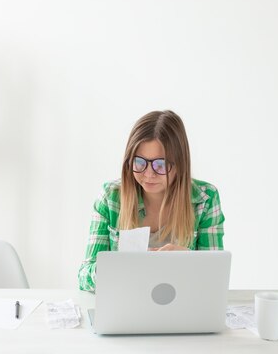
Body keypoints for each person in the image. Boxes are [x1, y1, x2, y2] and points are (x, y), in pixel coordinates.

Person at [78, 110, 225, 292]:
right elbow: (84, 277)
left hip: (182, 312)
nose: (149, 174)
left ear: (180, 164)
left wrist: (189, 260)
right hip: (126, 308)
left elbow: (215, 280)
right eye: (139, 162)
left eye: (160, 165)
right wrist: (113, 268)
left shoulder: (205, 199)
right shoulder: (111, 197)